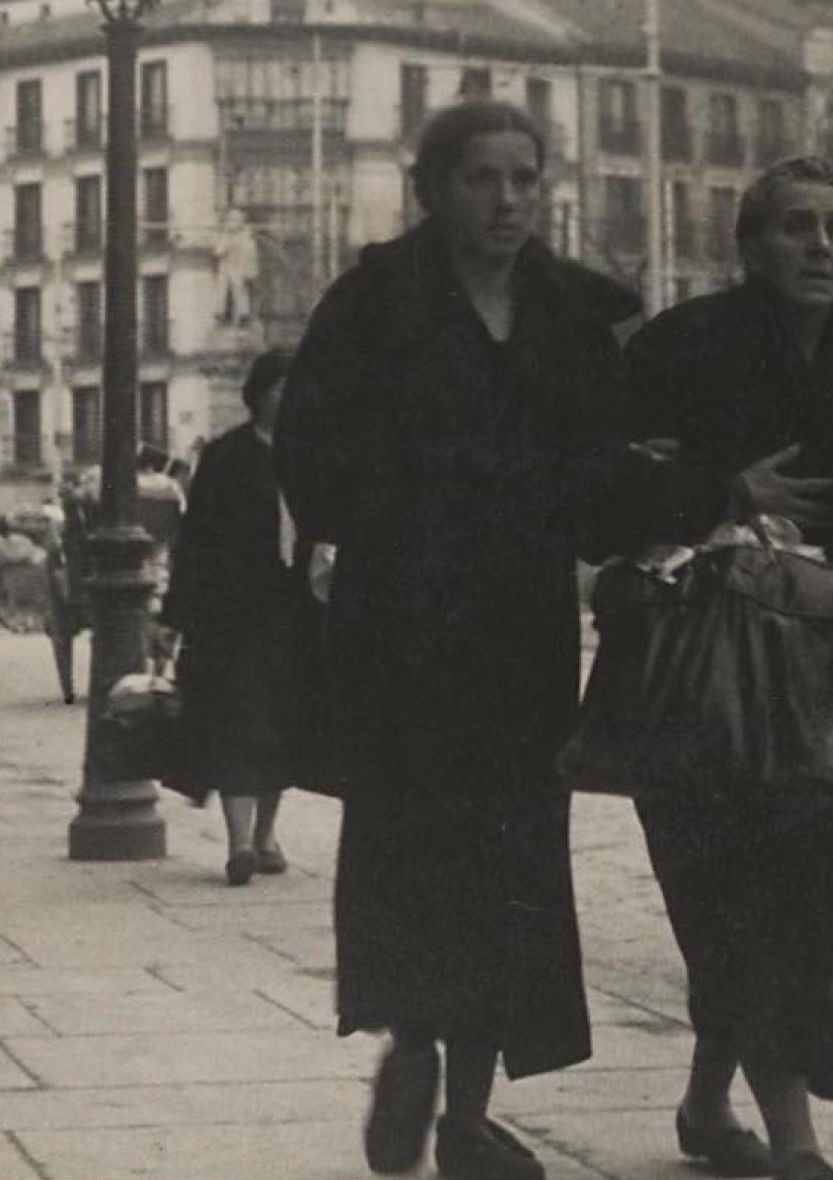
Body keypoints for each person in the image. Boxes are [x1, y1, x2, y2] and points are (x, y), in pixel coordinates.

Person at [274, 100, 720, 1180]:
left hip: (519, 635)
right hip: (400, 634)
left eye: (525, 177)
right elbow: (313, 465)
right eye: (482, 178)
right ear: (434, 187)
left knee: (514, 860)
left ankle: (465, 1114)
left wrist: (690, 497)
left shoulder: (568, 315)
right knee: (411, 854)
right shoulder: (372, 303)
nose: (508, 199)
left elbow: (607, 471)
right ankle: (411, 1051)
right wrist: (431, 502)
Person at [620, 155, 833, 1180]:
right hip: (692, 664)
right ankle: (764, 1125)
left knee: (793, 889)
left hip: (817, 673)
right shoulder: (678, 347)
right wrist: (720, 489)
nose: (820, 247)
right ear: (750, 247)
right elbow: (601, 481)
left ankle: (743, 1119)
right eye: (796, 227)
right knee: (715, 890)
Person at [161, 349, 307, 885]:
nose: (286, 396)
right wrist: (178, 613)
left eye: (296, 386)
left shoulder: (311, 454)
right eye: (278, 386)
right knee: (241, 723)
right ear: (258, 393)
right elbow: (195, 538)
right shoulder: (225, 456)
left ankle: (267, 835)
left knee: (285, 726)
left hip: (296, 614)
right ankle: (240, 844)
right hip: (235, 617)